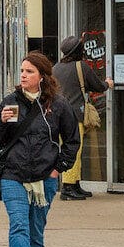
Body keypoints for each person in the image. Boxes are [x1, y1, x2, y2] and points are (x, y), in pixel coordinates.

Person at [0, 52, 79, 247]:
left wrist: (56, 169)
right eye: (22, 71)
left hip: (44, 179)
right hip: (13, 175)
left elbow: (72, 141)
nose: (23, 75)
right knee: (19, 224)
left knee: (35, 230)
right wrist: (1, 123)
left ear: (42, 76)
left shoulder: (59, 106)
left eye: (29, 71)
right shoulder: (11, 101)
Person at [52, 35, 108, 201]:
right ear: (79, 51)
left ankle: (75, 184)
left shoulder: (56, 68)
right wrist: (108, 84)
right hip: (75, 115)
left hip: (59, 116)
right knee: (74, 151)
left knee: (70, 149)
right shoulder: (81, 66)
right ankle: (68, 187)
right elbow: (97, 85)